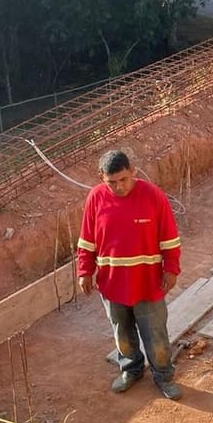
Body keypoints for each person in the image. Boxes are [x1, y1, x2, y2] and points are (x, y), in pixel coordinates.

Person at [77, 148, 183, 399]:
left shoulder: (153, 196)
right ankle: (131, 369)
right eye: (111, 182)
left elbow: (169, 238)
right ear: (102, 177)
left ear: (133, 171)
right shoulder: (95, 198)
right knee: (122, 334)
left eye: (123, 179)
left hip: (148, 283)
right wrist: (85, 271)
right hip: (112, 284)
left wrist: (171, 269)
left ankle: (164, 375)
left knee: (155, 335)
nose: (119, 187)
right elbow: (87, 241)